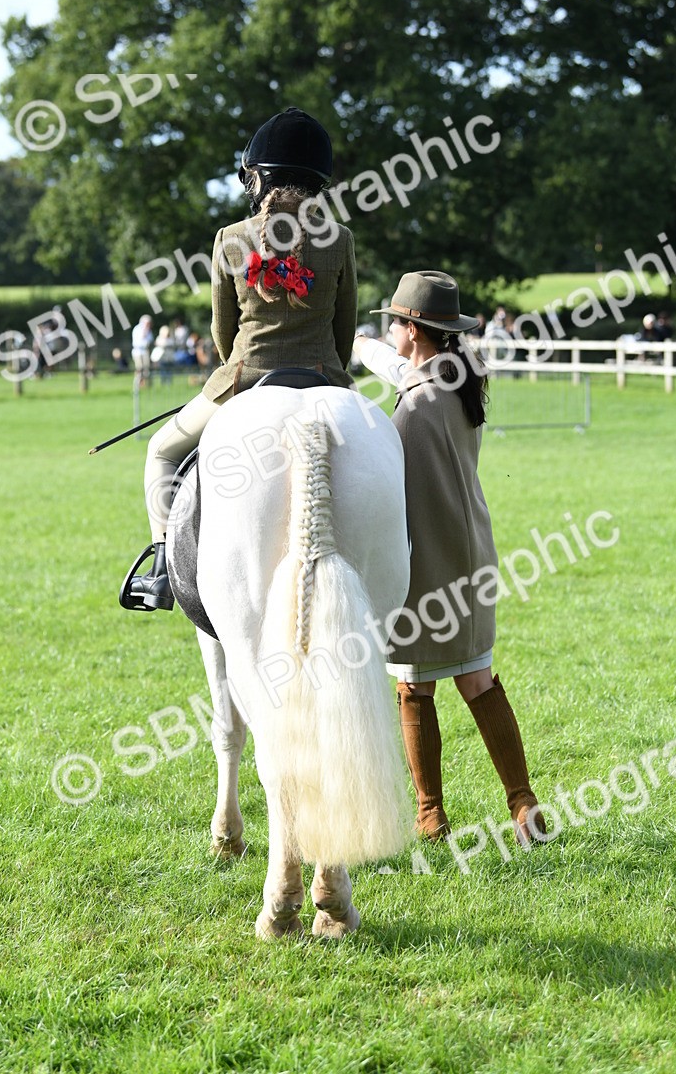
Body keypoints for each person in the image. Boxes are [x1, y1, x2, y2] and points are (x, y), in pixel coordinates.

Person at [121, 106, 358, 611]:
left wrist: (238, 379)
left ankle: (163, 569)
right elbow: (345, 331)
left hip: (247, 376)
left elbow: (222, 334)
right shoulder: (340, 240)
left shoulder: (231, 239)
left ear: (259, 178)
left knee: (162, 451)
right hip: (324, 378)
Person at [353, 271, 546, 846]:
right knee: (478, 678)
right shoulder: (459, 379)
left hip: (427, 557)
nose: (389, 330)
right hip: (473, 550)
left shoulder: (412, 408)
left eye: (395, 322)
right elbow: (397, 368)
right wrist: (369, 349)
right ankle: (523, 805)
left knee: (414, 685)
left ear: (413, 330)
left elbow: (387, 463)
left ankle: (430, 815)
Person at [131, 315, 153, 387]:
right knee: (139, 369)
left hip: (145, 351)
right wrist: (145, 330)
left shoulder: (149, 330)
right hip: (138, 352)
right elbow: (140, 338)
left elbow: (150, 340)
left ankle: (146, 385)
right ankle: (137, 385)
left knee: (146, 369)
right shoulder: (137, 329)